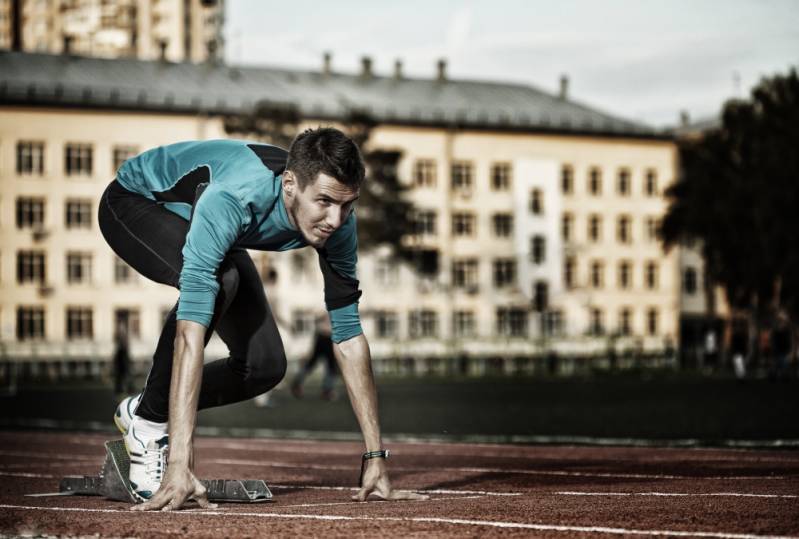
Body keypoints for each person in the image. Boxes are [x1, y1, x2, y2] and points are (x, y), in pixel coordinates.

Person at [99, 127, 425, 510]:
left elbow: (349, 337)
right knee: (221, 282)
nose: (335, 219)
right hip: (136, 203)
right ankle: (149, 427)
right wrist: (180, 463)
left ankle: (141, 408)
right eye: (323, 201)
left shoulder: (337, 223)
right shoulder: (235, 197)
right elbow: (191, 331)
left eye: (347, 205)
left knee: (264, 367)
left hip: (206, 224)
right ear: (290, 184)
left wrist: (375, 459)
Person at [291, 312, 338, 400]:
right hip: (325, 337)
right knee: (326, 365)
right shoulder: (330, 308)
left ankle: (327, 390)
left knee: (328, 365)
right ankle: (327, 390)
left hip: (326, 336)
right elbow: (317, 318)